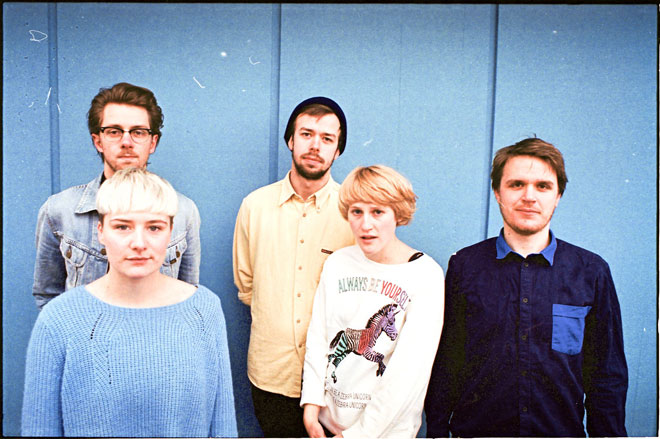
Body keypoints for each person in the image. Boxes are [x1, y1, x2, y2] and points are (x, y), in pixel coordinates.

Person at [424, 138, 628, 437]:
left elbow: (607, 376)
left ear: (558, 196)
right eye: (516, 184)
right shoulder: (465, 266)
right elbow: (446, 363)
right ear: (497, 192)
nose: (529, 196)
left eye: (542, 186)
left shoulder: (591, 271)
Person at [22, 168, 237, 438]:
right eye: (122, 227)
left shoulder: (204, 309)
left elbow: (222, 422)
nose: (139, 243)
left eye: (154, 227)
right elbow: (40, 426)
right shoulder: (59, 317)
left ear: (170, 232)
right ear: (101, 232)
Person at [232, 97, 355, 437]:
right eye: (306, 134)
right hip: (270, 375)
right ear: (290, 140)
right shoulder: (255, 207)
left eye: (327, 138)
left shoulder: (353, 214)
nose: (315, 146)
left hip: (334, 381)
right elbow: (247, 285)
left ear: (337, 151)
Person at [300, 165, 444, 438]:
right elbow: (319, 338)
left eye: (378, 212)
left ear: (397, 214)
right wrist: (311, 404)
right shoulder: (337, 263)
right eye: (357, 212)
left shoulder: (426, 275)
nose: (366, 225)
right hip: (327, 426)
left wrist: (356, 436)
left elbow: (408, 374)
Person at [32, 82, 201, 309]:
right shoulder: (59, 210)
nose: (126, 142)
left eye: (138, 132)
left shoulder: (183, 211)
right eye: (114, 131)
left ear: (153, 142)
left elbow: (187, 294)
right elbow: (48, 297)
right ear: (98, 141)